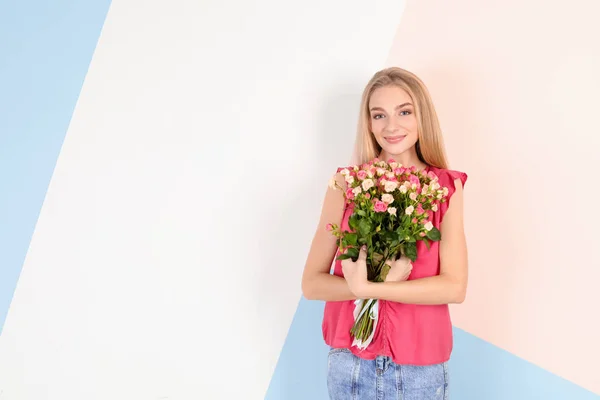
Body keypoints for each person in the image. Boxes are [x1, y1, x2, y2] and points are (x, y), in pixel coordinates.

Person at [301, 67, 468, 400]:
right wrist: (373, 287)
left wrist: (368, 288)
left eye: (404, 111)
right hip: (349, 363)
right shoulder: (345, 185)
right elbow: (311, 284)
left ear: (423, 116)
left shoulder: (447, 188)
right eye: (379, 115)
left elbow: (454, 286)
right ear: (369, 123)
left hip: (420, 369)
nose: (391, 126)